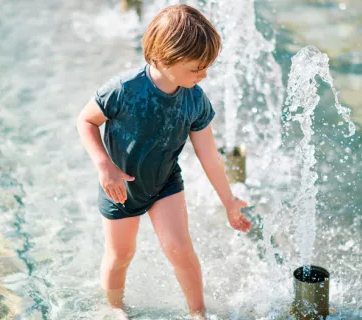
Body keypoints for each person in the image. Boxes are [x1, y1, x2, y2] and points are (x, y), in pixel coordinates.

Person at [76, 4, 252, 319]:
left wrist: (228, 200)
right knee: (120, 255)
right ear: (164, 57)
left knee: (180, 250)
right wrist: (105, 166)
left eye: (207, 67)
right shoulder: (125, 89)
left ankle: (198, 312)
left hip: (165, 183)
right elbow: (86, 122)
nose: (204, 75)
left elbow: (208, 154)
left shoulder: (194, 99)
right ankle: (114, 309)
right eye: (197, 68)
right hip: (120, 186)